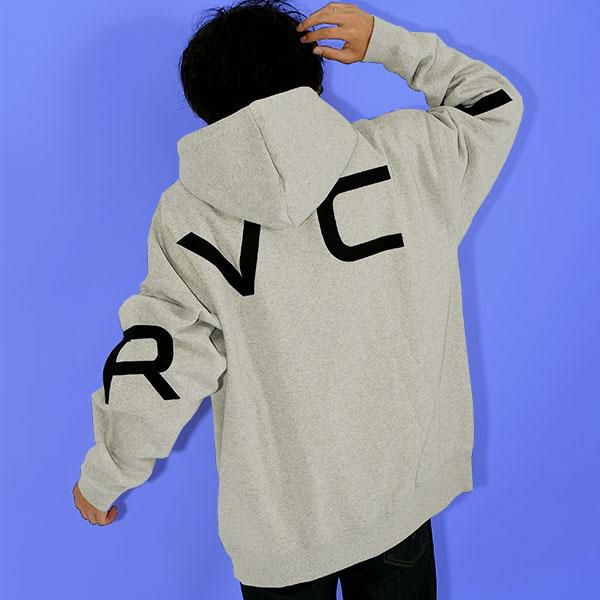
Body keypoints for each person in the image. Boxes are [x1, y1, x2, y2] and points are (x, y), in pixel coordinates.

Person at [73, 1, 524, 598]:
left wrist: (107, 473)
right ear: (313, 72)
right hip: (397, 497)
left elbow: (164, 360)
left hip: (279, 531)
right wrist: (387, 43)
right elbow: (493, 104)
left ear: (203, 104)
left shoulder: (187, 216)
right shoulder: (408, 156)